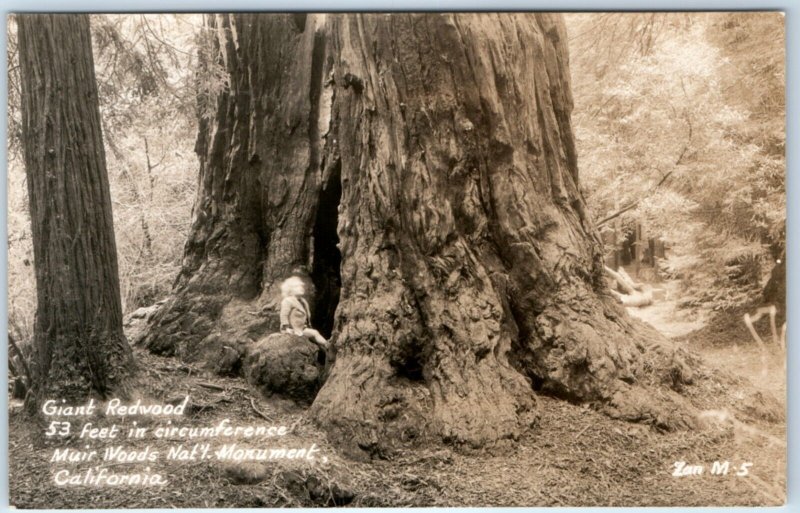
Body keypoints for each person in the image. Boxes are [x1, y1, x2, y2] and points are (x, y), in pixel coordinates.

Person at [279, 276, 328, 348]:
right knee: (315, 333)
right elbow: (284, 315)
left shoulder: (303, 301)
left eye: (301, 286)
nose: (301, 288)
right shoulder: (288, 301)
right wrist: (286, 328)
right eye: (297, 286)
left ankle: (328, 346)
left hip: (302, 328)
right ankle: (328, 346)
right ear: (290, 290)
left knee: (315, 334)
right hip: (292, 329)